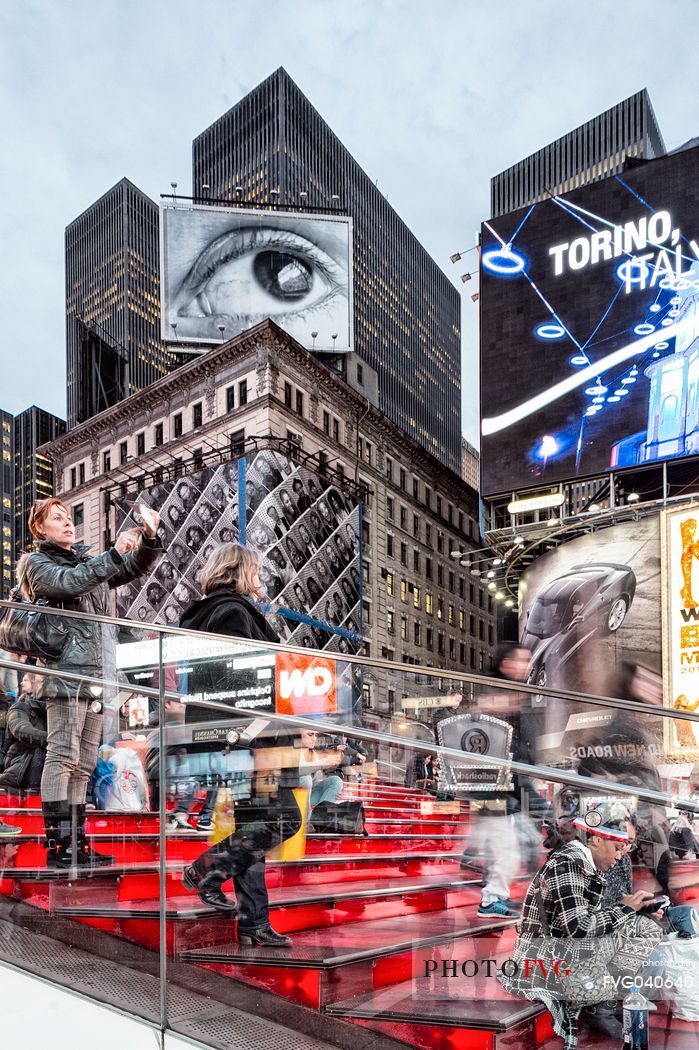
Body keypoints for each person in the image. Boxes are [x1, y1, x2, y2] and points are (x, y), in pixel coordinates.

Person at [20, 497, 162, 867]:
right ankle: (59, 846)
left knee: (83, 762)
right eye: (57, 518)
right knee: (63, 756)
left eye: (69, 517)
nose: (68, 523)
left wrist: (148, 537)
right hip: (66, 672)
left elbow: (131, 567)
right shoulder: (37, 564)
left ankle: (77, 843)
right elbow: (69, 584)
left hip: (98, 674)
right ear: (41, 529)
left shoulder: (89, 562)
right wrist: (113, 553)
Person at [179, 543, 301, 947]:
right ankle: (206, 869)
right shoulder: (231, 612)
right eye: (257, 571)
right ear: (240, 572)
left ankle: (253, 922)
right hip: (249, 737)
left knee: (254, 828)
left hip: (240, 738)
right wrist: (243, 732)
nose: (262, 579)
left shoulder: (215, 611)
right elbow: (235, 683)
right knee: (283, 820)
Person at [500, 801, 663, 1047]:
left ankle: (606, 1002)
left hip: (563, 950)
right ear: (596, 839)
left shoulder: (584, 862)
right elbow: (578, 929)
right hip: (545, 961)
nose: (621, 856)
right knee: (598, 938)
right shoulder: (569, 864)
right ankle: (598, 1006)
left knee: (645, 926)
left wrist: (636, 911)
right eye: (618, 847)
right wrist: (626, 908)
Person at [0, 672, 46, 793]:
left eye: (26, 680)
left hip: (36, 769)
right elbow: (20, 730)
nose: (21, 682)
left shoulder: (53, 712)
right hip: (20, 767)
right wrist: (54, 740)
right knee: (39, 750)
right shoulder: (19, 707)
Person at [297, 728, 344, 822]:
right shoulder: (292, 750)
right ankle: (306, 823)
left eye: (315, 735)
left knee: (336, 781)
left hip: (308, 797)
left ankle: (321, 819)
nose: (314, 738)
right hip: (292, 798)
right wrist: (323, 763)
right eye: (310, 735)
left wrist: (332, 790)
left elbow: (316, 781)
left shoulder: (312, 753)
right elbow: (295, 770)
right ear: (297, 735)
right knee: (306, 779)